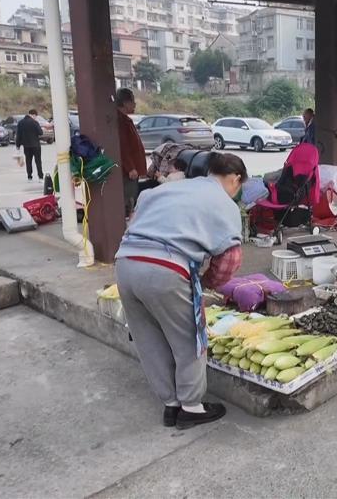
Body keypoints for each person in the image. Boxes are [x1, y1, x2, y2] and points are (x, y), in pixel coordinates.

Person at [115, 152, 248, 429]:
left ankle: (170, 405)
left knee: (149, 338)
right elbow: (230, 259)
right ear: (235, 179)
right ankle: (191, 407)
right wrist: (208, 281)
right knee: (189, 339)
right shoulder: (224, 204)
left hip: (126, 263)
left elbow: (136, 218)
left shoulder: (168, 188)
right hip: (165, 270)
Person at [116, 88, 147, 215]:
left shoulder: (125, 119)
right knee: (129, 201)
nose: (134, 104)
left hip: (132, 168)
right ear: (125, 103)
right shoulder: (120, 121)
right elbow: (123, 147)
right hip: (128, 171)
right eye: (132, 101)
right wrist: (130, 168)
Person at [15, 109, 44, 181]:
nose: (35, 118)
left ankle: (29, 176)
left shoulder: (21, 123)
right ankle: (40, 177)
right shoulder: (35, 122)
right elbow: (40, 132)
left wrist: (18, 145)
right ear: (33, 115)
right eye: (35, 116)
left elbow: (18, 135)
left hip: (26, 146)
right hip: (36, 145)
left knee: (28, 161)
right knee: (38, 161)